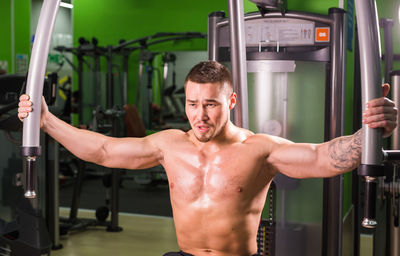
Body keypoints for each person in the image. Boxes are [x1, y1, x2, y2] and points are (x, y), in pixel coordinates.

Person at [18, 61, 397, 256]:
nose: (199, 115)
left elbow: (324, 157)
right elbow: (103, 149)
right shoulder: (170, 145)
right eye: (192, 103)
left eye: (211, 104)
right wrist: (47, 121)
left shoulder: (259, 149)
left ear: (231, 101)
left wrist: (373, 131)